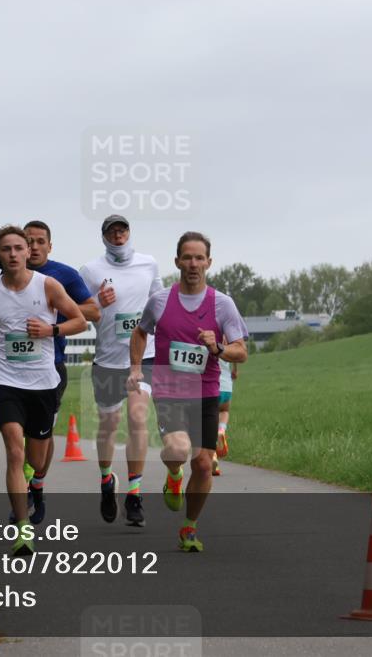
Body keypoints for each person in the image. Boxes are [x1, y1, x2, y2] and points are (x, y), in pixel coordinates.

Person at [0, 225, 86, 556]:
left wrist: (51, 330)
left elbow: (81, 321)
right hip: (5, 379)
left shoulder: (47, 285)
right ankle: (22, 529)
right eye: (6, 249)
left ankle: (34, 482)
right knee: (14, 452)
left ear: (27, 252)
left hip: (43, 381)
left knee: (36, 459)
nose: (13, 254)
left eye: (19, 248)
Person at [127, 231, 249, 552]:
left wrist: (218, 347)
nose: (193, 264)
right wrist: (136, 368)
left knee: (205, 464)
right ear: (177, 261)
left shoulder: (222, 304)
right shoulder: (160, 301)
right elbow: (140, 332)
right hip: (169, 389)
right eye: (187, 257)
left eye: (199, 258)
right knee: (179, 450)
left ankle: (189, 527)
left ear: (209, 262)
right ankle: (173, 475)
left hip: (206, 392)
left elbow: (241, 351)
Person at [79, 214, 163, 527]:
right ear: (104, 236)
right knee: (109, 425)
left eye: (122, 229)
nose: (118, 235)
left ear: (129, 232)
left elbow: (160, 303)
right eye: (112, 231)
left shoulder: (148, 264)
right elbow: (79, 312)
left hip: (143, 357)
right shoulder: (90, 270)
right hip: (108, 360)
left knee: (138, 418)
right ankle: (106, 481)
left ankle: (135, 495)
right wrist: (98, 303)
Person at [23, 220, 101, 481]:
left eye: (40, 242)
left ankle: (37, 484)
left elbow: (93, 311)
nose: (34, 247)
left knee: (42, 431)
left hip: (51, 363)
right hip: (15, 364)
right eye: (29, 242)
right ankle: (23, 481)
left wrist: (54, 308)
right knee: (17, 429)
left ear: (50, 246)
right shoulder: (10, 274)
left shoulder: (64, 274)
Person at [212, 349, 238, 476]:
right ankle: (221, 430)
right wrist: (235, 370)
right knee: (224, 411)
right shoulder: (227, 341)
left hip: (211, 385)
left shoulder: (207, 340)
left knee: (206, 420)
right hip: (226, 385)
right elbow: (235, 355)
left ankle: (212, 455)